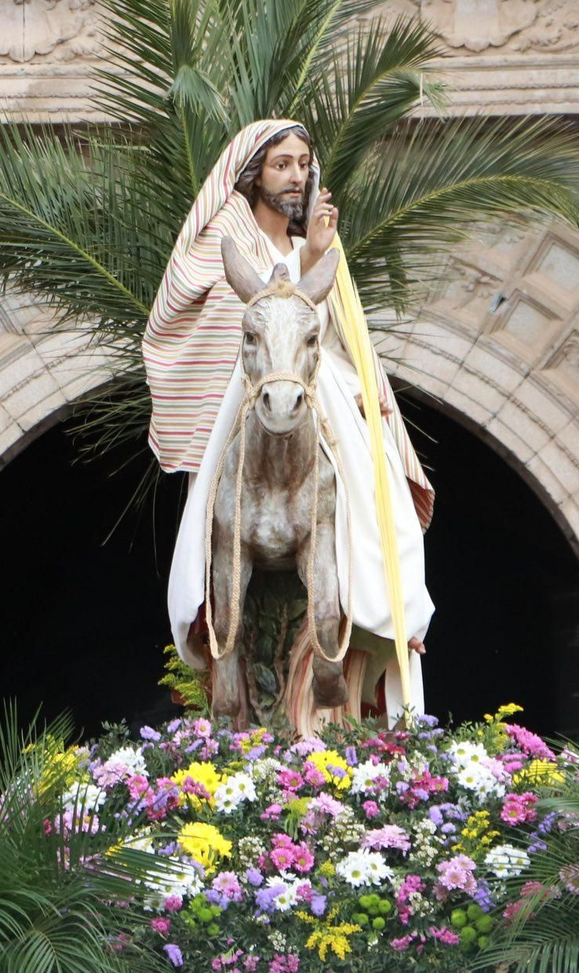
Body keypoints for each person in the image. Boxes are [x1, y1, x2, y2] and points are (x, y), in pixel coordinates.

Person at [143, 119, 435, 721]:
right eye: (281, 164)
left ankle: (383, 617)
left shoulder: (314, 246)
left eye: (304, 163)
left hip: (316, 390)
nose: (296, 175)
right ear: (254, 174)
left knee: (391, 518)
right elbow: (209, 305)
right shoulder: (229, 232)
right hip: (252, 394)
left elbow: (336, 331)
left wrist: (320, 256)